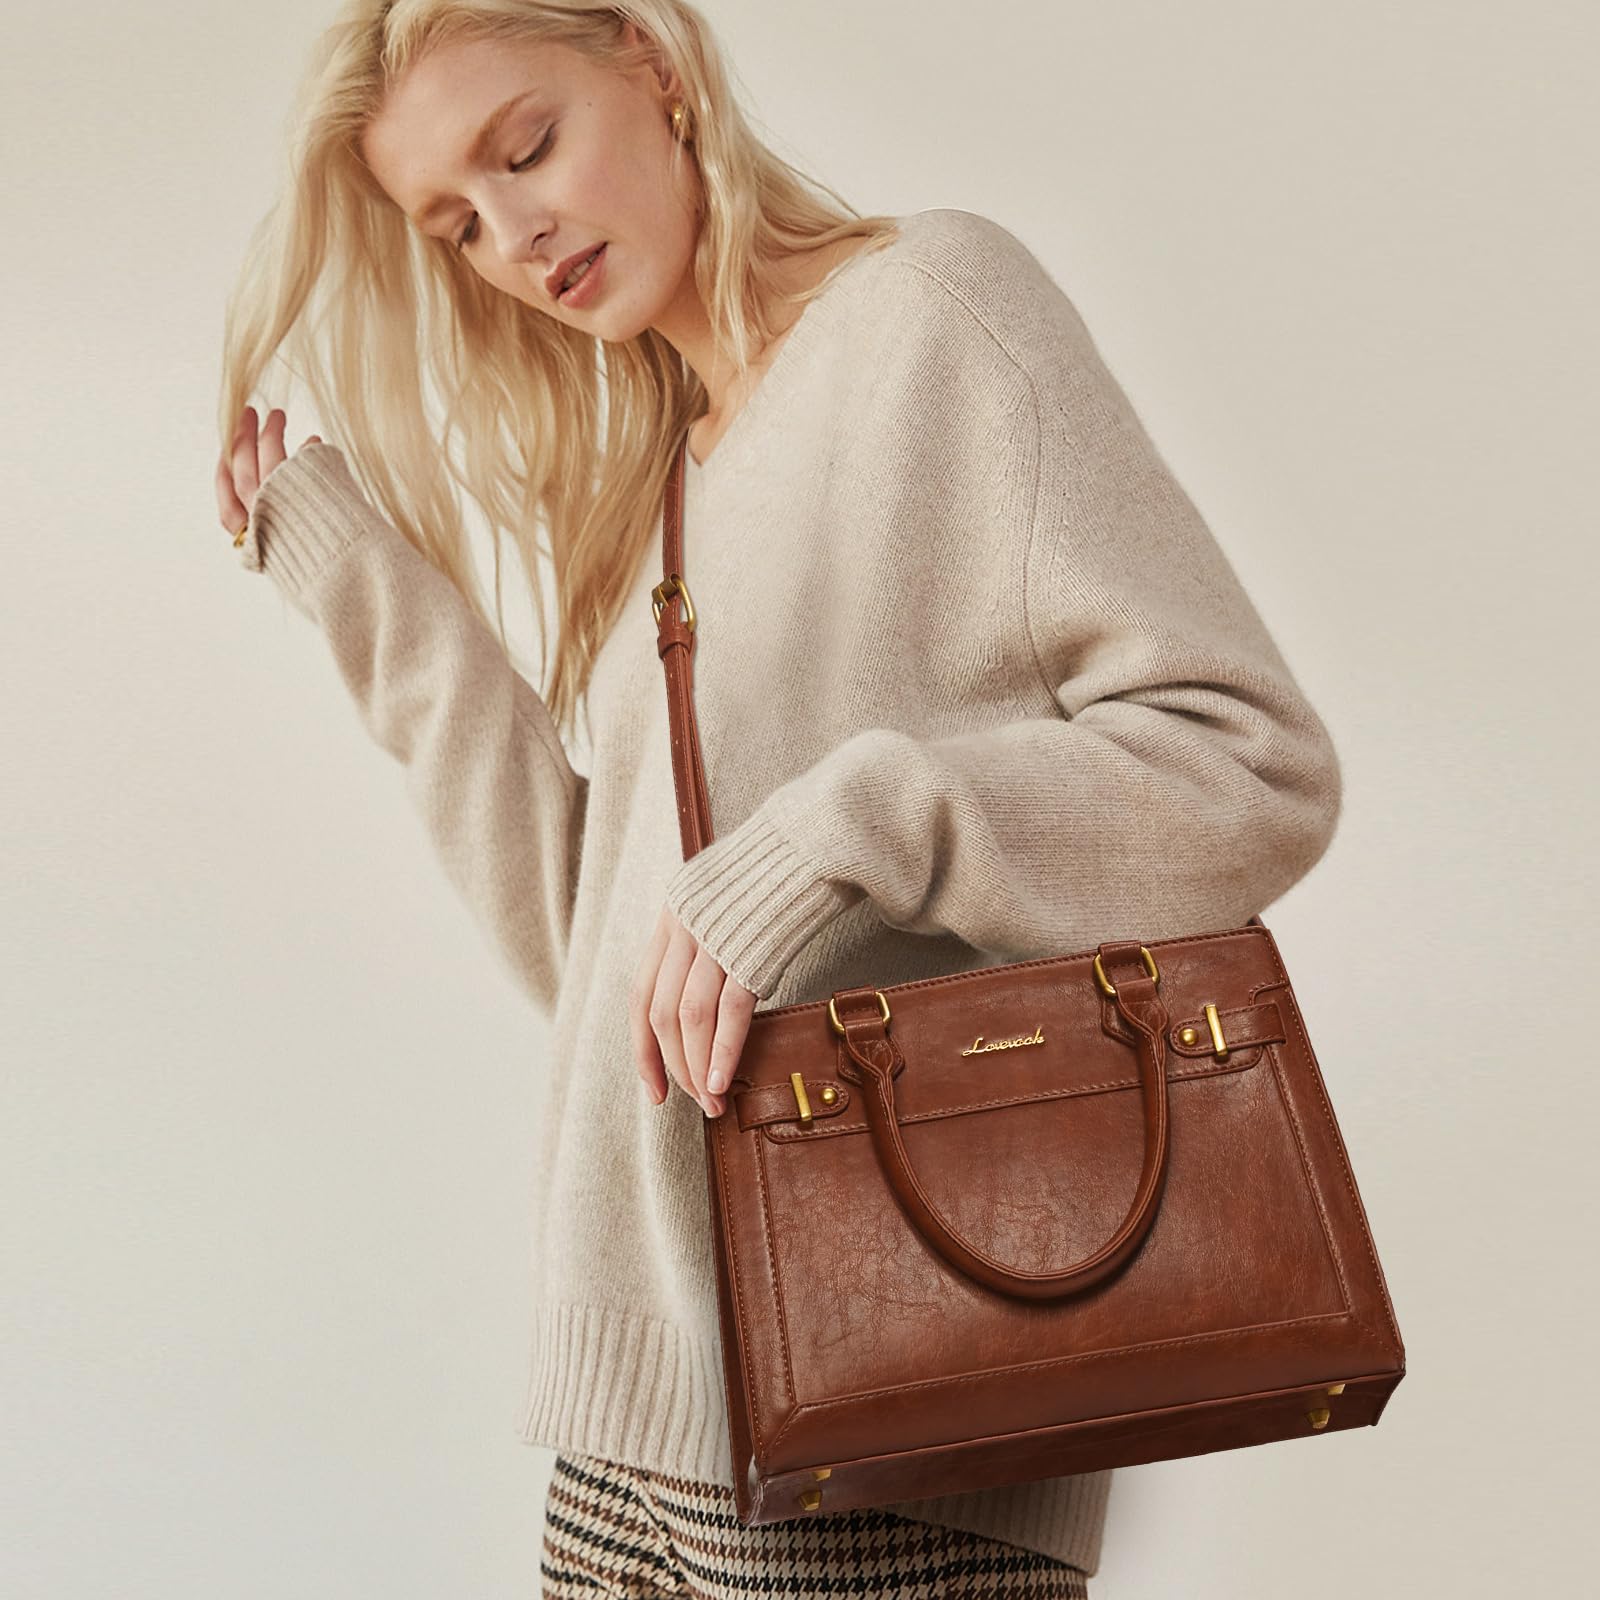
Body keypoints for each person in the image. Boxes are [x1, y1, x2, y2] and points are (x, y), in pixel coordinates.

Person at [212, 4, 1342, 1596]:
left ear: (652, 65)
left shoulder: (935, 312)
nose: (515, 234)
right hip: (628, 1431)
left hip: (885, 1403)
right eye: (457, 225)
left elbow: (1251, 765)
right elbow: (611, 967)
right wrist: (363, 591)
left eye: (526, 147)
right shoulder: (669, 481)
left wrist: (843, 829)